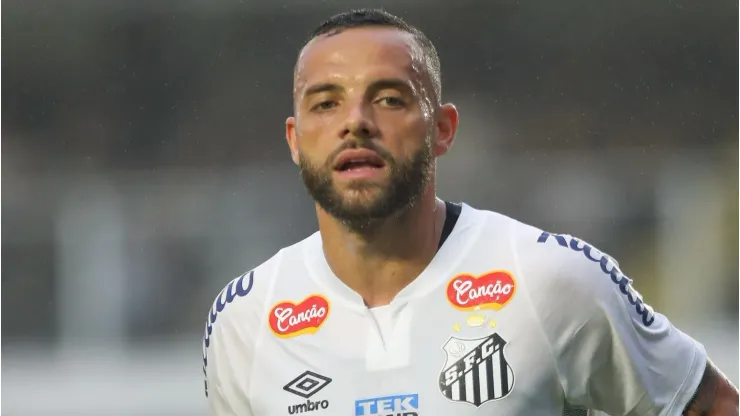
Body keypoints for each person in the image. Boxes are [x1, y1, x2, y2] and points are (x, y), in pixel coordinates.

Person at [202, 8, 738, 416]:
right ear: (296, 140)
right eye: (326, 103)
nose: (356, 122)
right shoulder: (244, 323)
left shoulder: (551, 281)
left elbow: (711, 405)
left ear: (442, 129)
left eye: (389, 98)